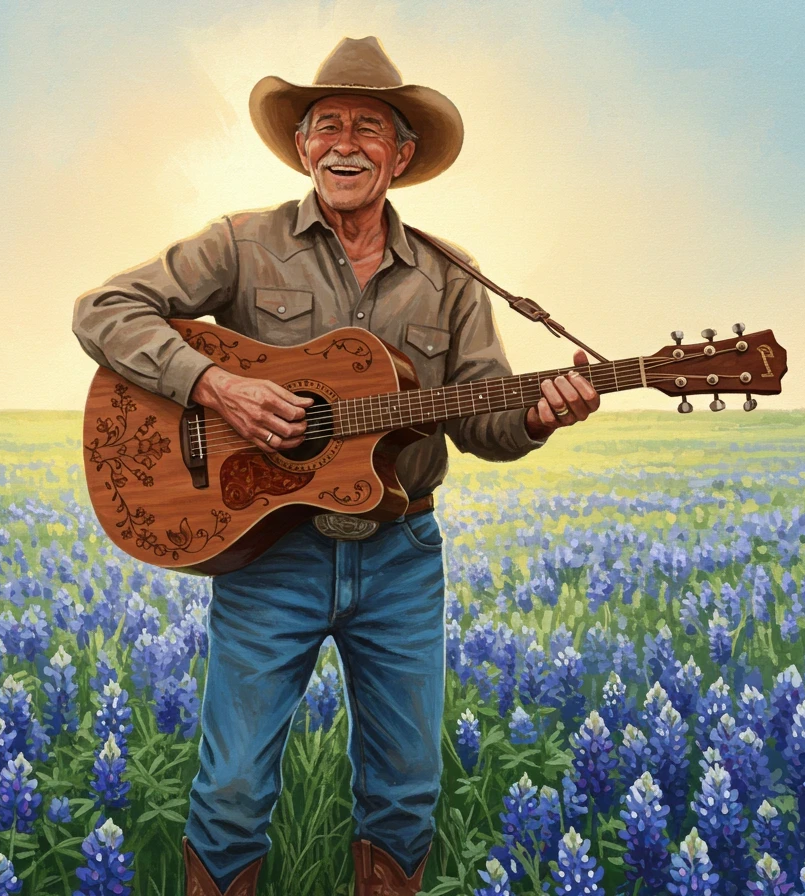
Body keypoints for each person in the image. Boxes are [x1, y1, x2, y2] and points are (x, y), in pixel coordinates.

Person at [71, 35, 600, 896]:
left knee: (405, 791)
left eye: (367, 127)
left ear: (402, 153)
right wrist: (213, 387)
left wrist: (540, 418)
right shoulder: (242, 245)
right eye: (326, 126)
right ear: (303, 146)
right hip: (267, 550)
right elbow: (103, 309)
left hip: (399, 558)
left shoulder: (451, 275)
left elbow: (485, 421)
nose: (344, 143)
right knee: (234, 786)